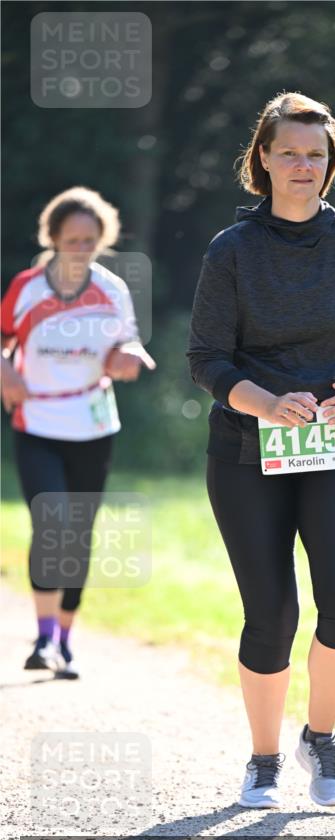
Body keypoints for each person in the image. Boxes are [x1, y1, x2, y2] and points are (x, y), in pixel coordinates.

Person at [187, 92, 335, 808]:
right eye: (288, 151)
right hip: (247, 451)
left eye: (315, 154)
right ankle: (261, 759)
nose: (302, 165)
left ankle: (322, 737)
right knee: (272, 613)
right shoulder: (231, 252)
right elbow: (206, 358)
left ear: (330, 163)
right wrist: (265, 402)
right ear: (262, 158)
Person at [1, 186, 155, 679]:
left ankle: (66, 640)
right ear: (52, 238)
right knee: (53, 524)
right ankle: (43, 638)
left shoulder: (111, 289)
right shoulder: (27, 288)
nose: (81, 248)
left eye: (90, 239)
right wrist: (5, 371)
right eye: (72, 239)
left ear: (102, 240)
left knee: (78, 536)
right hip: (38, 424)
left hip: (93, 424)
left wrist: (126, 357)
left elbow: (125, 345)